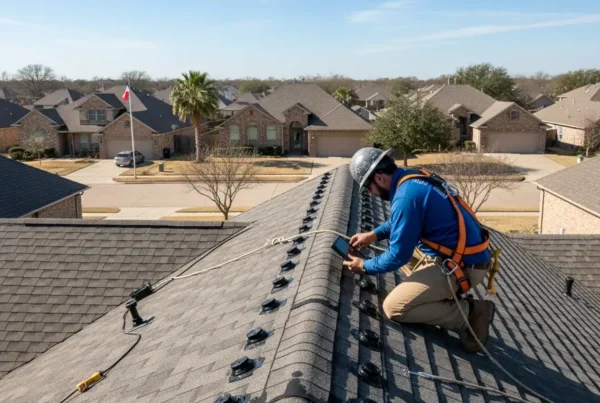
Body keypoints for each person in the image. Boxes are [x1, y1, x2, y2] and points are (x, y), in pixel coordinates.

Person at [343, 147, 495, 353]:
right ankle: (438, 294)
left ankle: (470, 313)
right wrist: (374, 234)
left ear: (379, 178)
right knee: (405, 255)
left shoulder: (406, 198)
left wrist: (364, 266)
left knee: (393, 307)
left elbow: (398, 255)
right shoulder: (411, 179)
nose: (371, 194)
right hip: (466, 256)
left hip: (463, 267)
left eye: (368, 188)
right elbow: (404, 221)